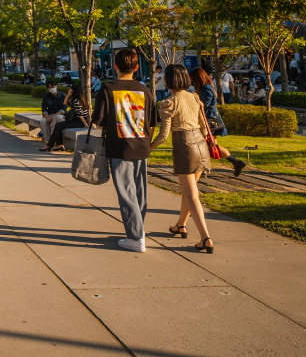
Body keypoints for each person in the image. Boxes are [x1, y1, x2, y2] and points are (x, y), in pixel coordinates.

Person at [91, 47, 157, 253]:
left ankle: (136, 237)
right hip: (142, 144)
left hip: (119, 147)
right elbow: (152, 122)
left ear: (115, 66)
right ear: (137, 67)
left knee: (126, 192)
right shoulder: (144, 90)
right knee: (139, 192)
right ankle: (139, 231)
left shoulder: (108, 89)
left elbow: (98, 122)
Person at [156, 64, 215, 254]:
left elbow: (163, 135)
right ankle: (180, 225)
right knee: (189, 191)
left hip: (184, 147)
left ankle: (205, 238)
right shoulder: (194, 97)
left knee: (191, 194)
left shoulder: (168, 102)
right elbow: (204, 127)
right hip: (200, 144)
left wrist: (147, 148)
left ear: (167, 80)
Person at [189, 67, 245, 176]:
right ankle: (234, 163)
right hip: (210, 119)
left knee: (209, 145)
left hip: (210, 120)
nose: (191, 81)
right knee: (210, 146)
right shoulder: (206, 87)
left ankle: (234, 162)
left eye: (193, 79)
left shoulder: (206, 88)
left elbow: (205, 105)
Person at [39, 79, 65, 151]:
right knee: (43, 122)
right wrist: (47, 117)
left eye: (53, 87)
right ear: (48, 88)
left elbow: (63, 109)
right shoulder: (46, 96)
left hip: (59, 115)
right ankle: (48, 141)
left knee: (56, 119)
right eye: (50, 88)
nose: (52, 89)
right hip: (49, 115)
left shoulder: (63, 96)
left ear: (56, 86)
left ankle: (52, 143)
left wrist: (53, 117)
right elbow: (44, 108)